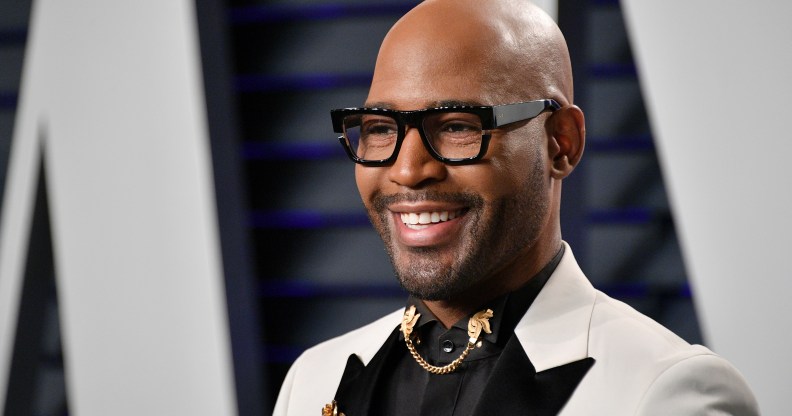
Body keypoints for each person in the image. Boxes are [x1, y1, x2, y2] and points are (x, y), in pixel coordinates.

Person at [273, 0, 759, 414]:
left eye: (458, 125)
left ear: (560, 143)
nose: (408, 169)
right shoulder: (313, 380)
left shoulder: (667, 393)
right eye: (381, 128)